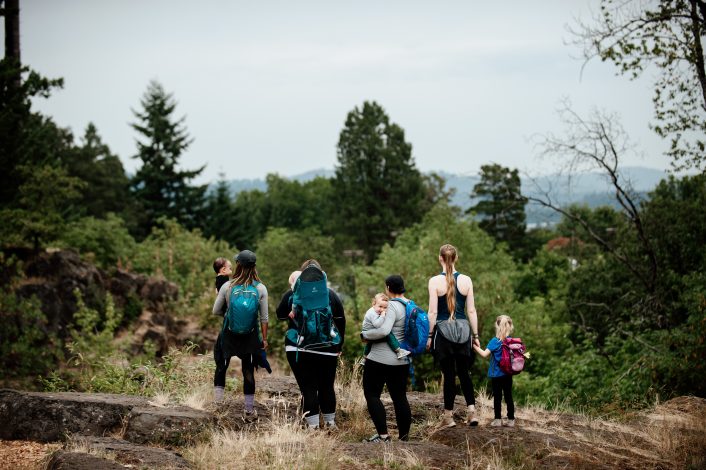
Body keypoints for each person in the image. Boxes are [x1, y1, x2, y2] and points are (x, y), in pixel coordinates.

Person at [276, 259, 346, 429]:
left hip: (299, 346)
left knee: (308, 387)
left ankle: (313, 427)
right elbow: (341, 320)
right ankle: (330, 423)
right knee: (327, 386)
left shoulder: (292, 293)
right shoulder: (330, 294)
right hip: (327, 347)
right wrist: (339, 344)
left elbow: (279, 315)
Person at [427, 244, 480, 428]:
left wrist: (429, 335)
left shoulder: (434, 281)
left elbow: (432, 312)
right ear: (456, 258)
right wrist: (476, 335)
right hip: (464, 331)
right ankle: (472, 412)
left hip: (443, 332)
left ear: (440, 258)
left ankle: (448, 417)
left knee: (449, 375)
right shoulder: (466, 280)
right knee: (464, 373)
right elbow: (471, 310)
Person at [212, 250, 269, 422]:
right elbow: (264, 318)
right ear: (254, 266)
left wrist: (230, 315)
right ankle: (249, 411)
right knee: (248, 371)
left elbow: (215, 310)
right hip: (250, 337)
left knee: (221, 366)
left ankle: (217, 406)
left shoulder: (227, 286)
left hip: (229, 333)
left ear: (238, 265)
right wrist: (264, 339)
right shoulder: (260, 288)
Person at [360, 274, 413, 442]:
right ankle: (404, 438)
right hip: (402, 360)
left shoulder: (392, 306)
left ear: (388, 289)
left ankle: (383, 436)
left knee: (372, 394)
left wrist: (365, 334)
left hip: (379, 359)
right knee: (400, 397)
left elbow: (383, 331)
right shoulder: (410, 305)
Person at [473, 315, 516, 427]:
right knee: (508, 396)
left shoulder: (494, 341)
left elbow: (484, 354)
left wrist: (473, 345)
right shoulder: (510, 341)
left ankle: (497, 420)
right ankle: (511, 420)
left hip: (496, 374)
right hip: (508, 374)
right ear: (509, 326)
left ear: (497, 326)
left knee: (497, 397)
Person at [362, 293, 411, 362]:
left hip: (369, 330)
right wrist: (383, 316)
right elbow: (377, 325)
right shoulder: (372, 313)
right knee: (388, 333)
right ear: (373, 304)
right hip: (368, 330)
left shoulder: (375, 311)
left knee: (369, 344)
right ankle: (398, 350)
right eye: (380, 306)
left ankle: (364, 358)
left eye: (385, 308)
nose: (382, 309)